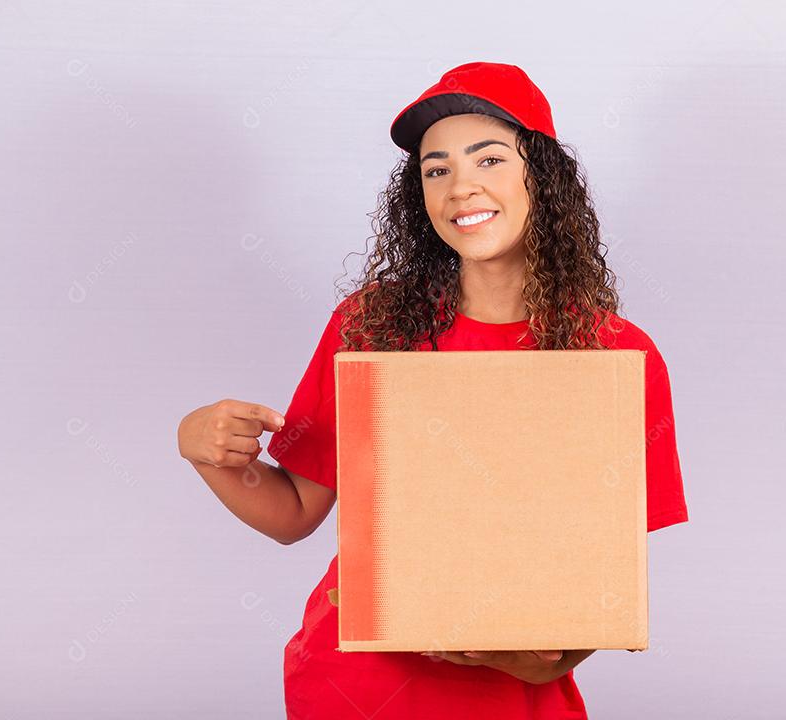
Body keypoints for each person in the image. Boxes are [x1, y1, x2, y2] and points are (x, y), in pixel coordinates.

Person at [178, 61, 690, 719]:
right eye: (436, 169)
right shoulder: (371, 325)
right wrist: (209, 454)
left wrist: (537, 654)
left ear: (543, 174)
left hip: (514, 701)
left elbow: (598, 580)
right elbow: (295, 512)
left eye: (489, 159)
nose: (460, 187)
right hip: (354, 689)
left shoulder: (616, 354)